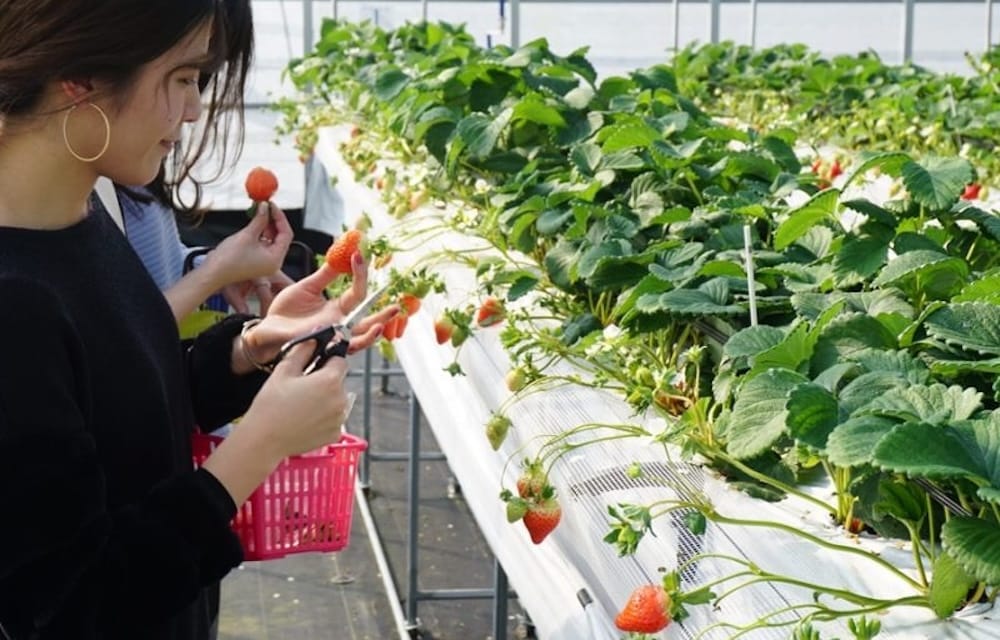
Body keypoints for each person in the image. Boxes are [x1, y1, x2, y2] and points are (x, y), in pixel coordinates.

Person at [0, 3, 397, 640]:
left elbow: (114, 410)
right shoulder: (14, 300)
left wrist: (250, 350)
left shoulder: (84, 212)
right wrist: (259, 446)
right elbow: (74, 606)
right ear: (80, 76)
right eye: (184, 78)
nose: (192, 110)